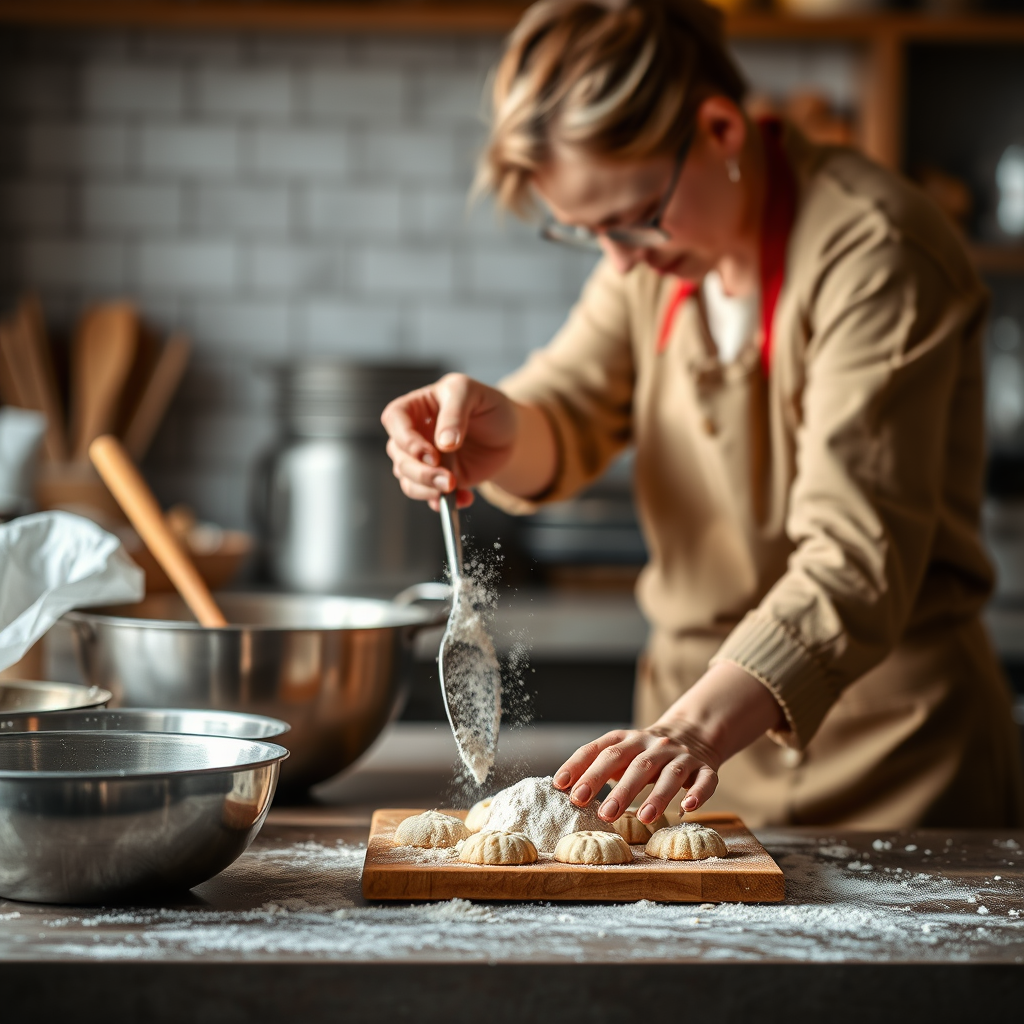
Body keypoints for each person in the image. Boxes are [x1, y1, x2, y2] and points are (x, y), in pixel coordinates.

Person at [382, 0, 1024, 829]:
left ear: (720, 129)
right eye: (589, 234)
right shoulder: (660, 257)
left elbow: (854, 562)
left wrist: (690, 730)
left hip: (893, 771)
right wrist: (499, 436)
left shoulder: (877, 252)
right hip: (684, 778)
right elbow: (567, 407)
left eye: (633, 219)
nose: (619, 261)